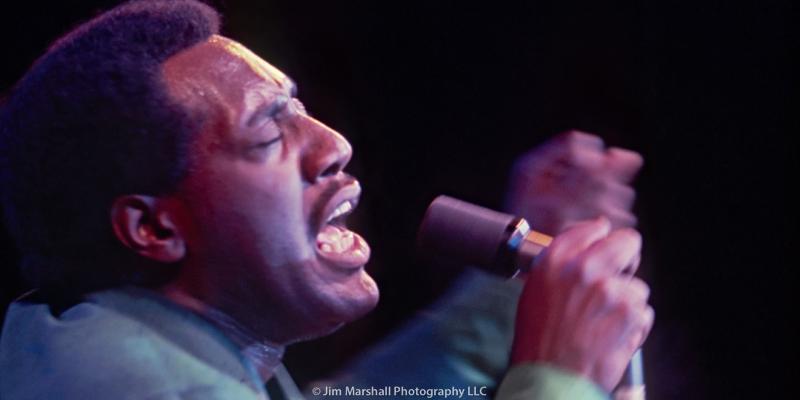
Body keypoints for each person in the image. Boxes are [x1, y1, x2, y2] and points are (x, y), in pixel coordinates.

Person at [0, 1, 653, 399]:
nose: (333, 145)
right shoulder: (147, 390)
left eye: (304, 110)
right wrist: (559, 378)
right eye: (268, 130)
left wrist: (511, 299)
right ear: (153, 228)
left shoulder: (109, 345)